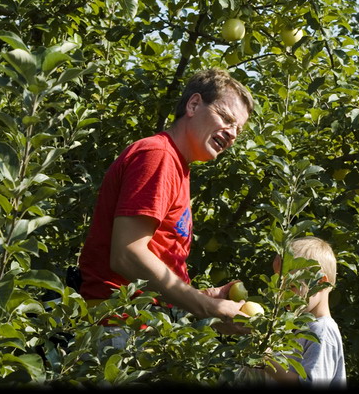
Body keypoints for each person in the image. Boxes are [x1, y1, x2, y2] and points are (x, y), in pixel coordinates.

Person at [78, 68, 254, 335]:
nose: (232, 134)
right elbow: (127, 255)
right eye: (226, 118)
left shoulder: (177, 166)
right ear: (193, 105)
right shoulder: (158, 156)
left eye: (238, 130)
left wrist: (200, 298)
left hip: (140, 325)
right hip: (119, 327)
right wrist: (204, 305)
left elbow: (152, 270)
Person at [265, 236, 347, 388]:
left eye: (291, 287)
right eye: (279, 286)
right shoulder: (296, 328)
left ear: (320, 282)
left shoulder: (322, 331)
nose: (282, 295)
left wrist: (266, 360)